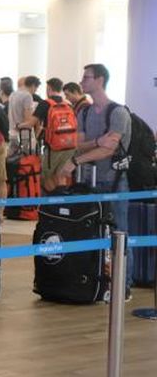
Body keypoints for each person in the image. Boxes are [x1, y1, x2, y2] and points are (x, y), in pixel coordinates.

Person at [59, 63, 133, 289]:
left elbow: (109, 148)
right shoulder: (85, 111)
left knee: (119, 233)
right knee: (91, 230)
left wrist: (74, 161)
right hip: (89, 181)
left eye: (87, 77)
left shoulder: (118, 112)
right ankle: (96, 281)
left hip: (114, 182)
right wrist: (97, 142)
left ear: (99, 80)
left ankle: (123, 284)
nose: (82, 82)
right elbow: (79, 144)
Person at [9, 76, 40, 150]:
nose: (35, 91)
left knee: (13, 159)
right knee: (27, 159)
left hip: (12, 132)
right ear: (33, 86)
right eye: (36, 89)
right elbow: (27, 119)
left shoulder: (13, 94)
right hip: (24, 134)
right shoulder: (27, 96)